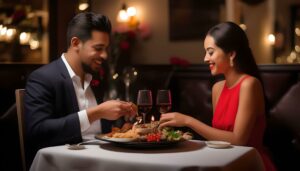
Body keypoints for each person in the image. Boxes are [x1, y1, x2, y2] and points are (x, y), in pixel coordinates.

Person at [159, 22, 276, 171]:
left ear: (231, 54)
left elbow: (239, 140)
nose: (205, 58)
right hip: (223, 162)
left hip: (249, 164)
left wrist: (188, 121)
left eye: (210, 52)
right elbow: (219, 138)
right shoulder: (217, 88)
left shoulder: (249, 85)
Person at [24, 12, 136, 165]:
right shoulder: (43, 78)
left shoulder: (96, 77)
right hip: (64, 165)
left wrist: (123, 124)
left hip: (106, 161)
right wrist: (96, 113)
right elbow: (38, 132)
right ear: (76, 43)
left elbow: (102, 130)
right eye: (98, 48)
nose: (104, 55)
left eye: (106, 49)